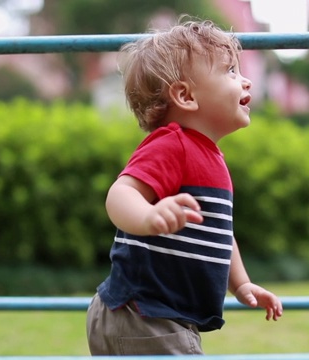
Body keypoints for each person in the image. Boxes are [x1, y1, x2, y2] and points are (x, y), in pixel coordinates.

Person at [86, 17, 283, 356]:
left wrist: (242, 283)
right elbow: (120, 194)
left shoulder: (209, 156)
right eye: (231, 72)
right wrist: (148, 216)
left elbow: (221, 232)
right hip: (144, 315)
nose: (246, 80)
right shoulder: (173, 144)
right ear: (185, 95)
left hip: (160, 317)